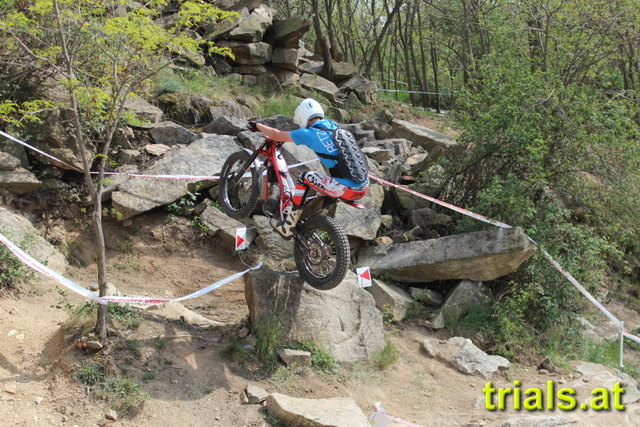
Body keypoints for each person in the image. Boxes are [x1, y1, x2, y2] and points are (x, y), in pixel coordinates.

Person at [255, 98, 369, 238]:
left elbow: (276, 135)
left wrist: (258, 125)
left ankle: (289, 223)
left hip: (344, 188)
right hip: (363, 186)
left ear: (303, 117)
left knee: (304, 177)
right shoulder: (333, 125)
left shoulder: (308, 133)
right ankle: (314, 217)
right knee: (323, 179)